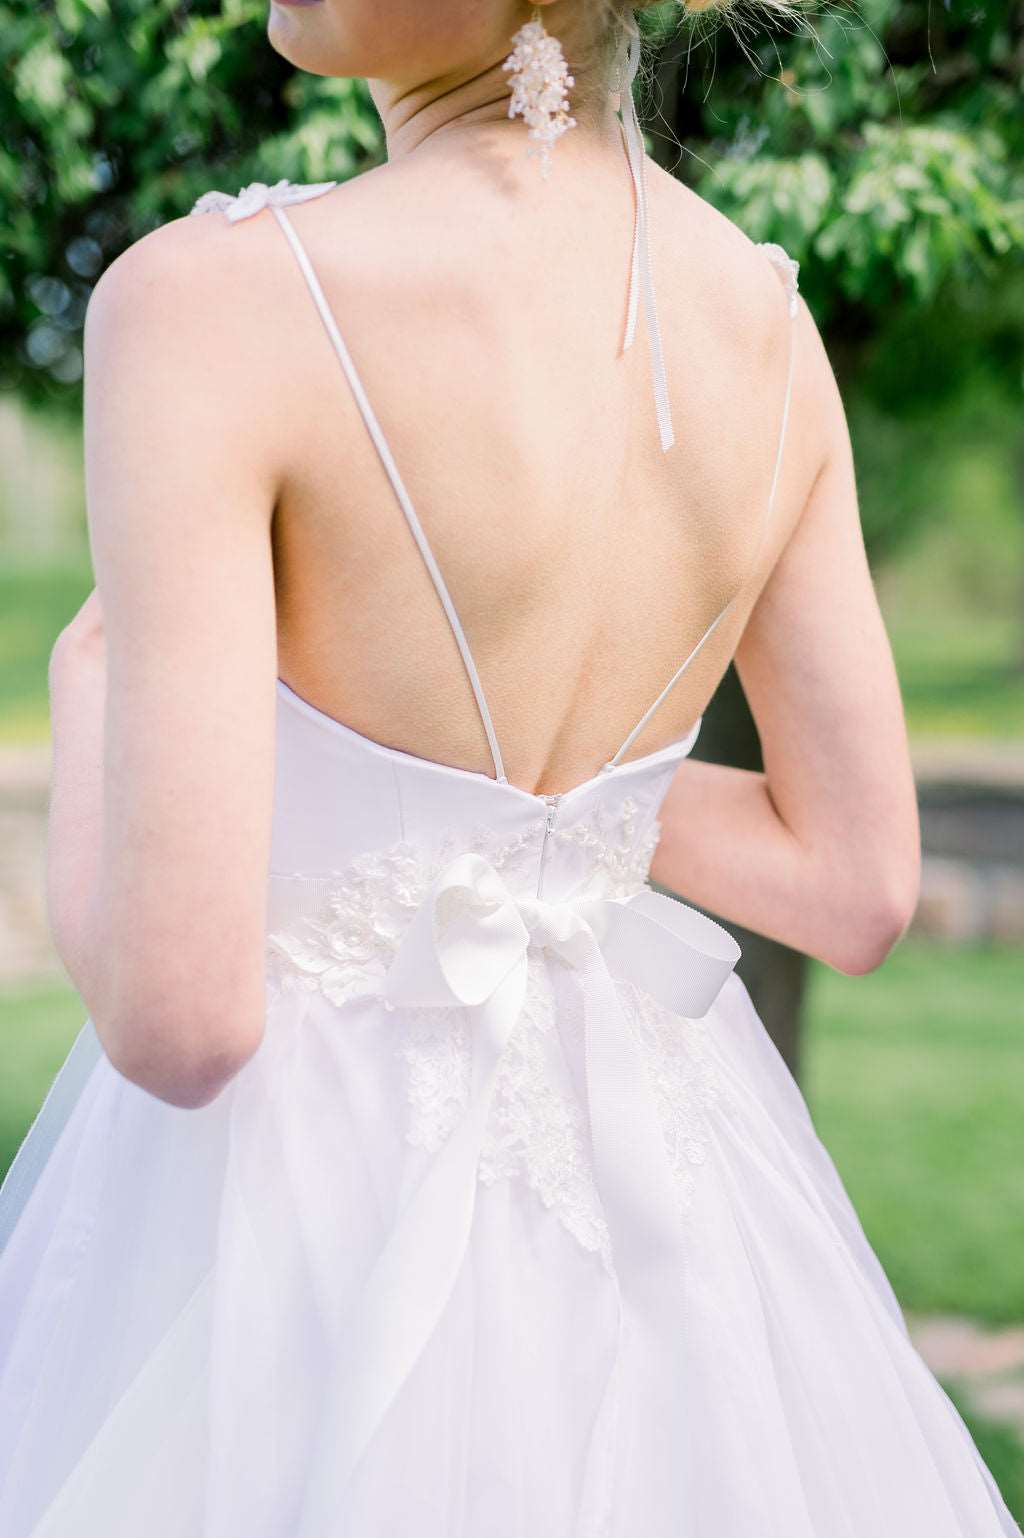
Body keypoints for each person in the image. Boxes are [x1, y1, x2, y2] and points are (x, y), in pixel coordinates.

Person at [0, 1, 1017, 1533]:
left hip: (293, 1216)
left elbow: (183, 1013)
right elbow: (853, 877)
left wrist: (95, 705)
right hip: (678, 1218)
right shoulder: (766, 326)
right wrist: (566, 819)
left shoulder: (209, 307)